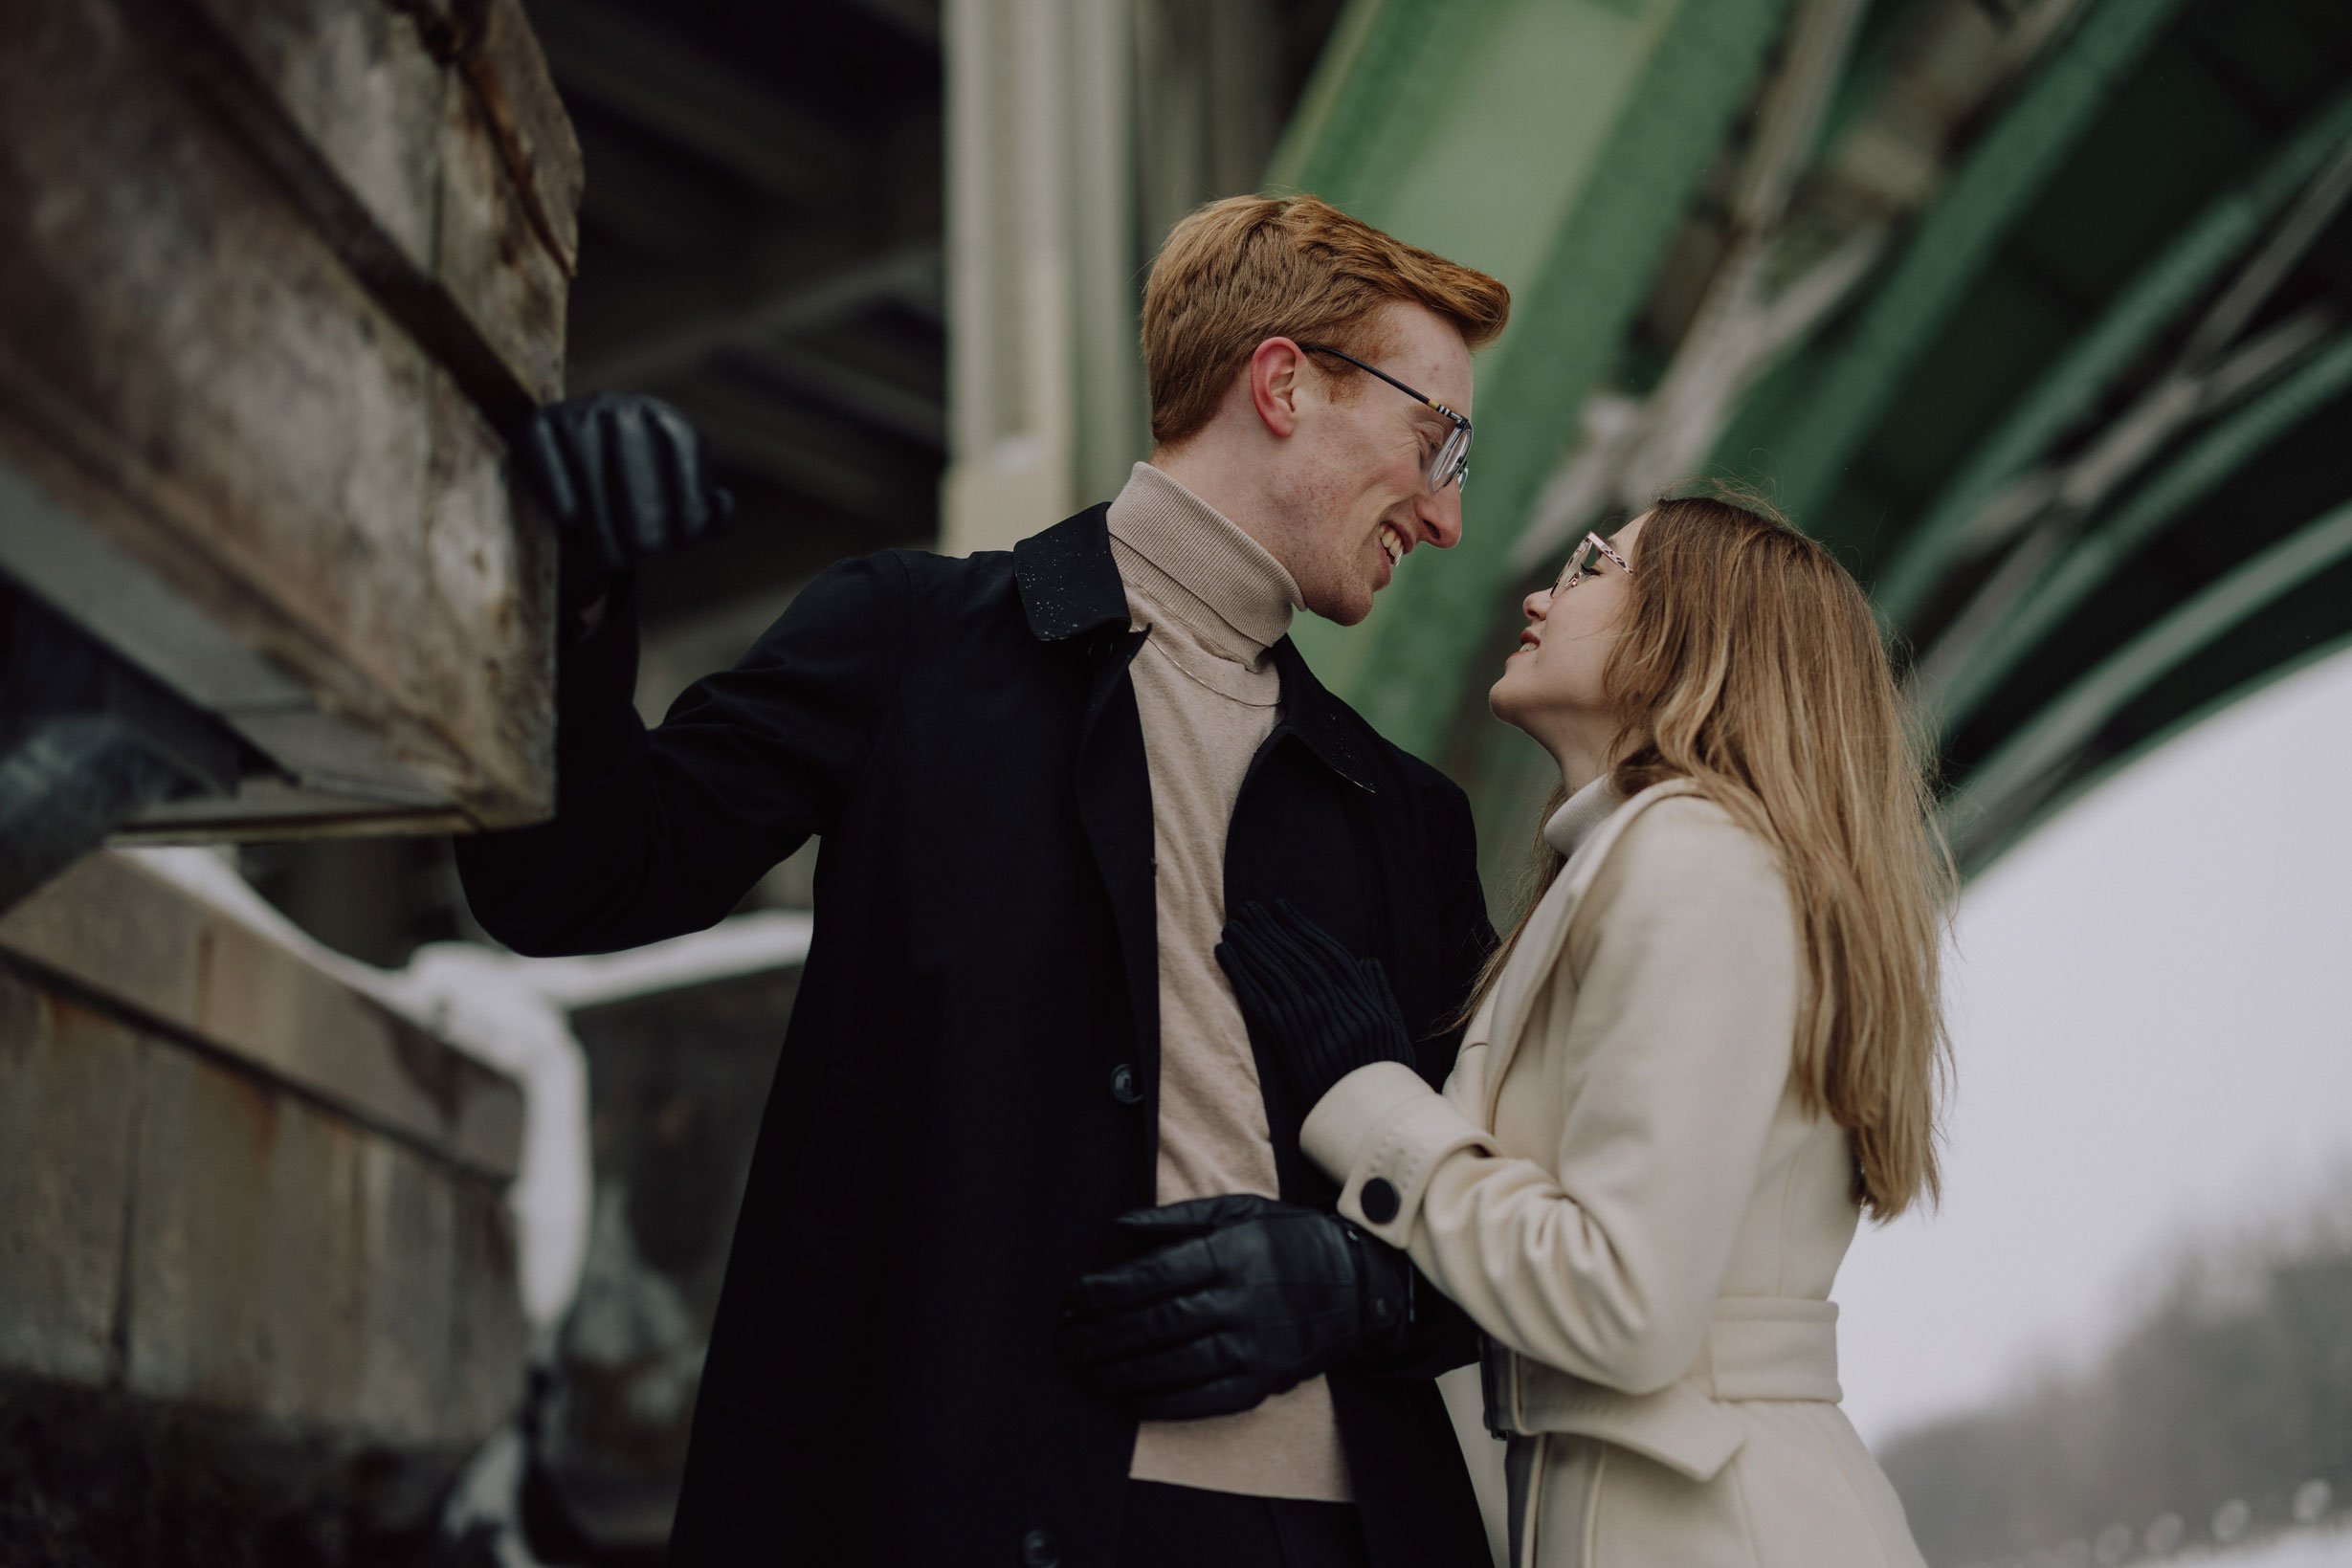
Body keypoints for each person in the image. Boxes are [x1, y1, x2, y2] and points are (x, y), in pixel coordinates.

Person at [455, 194, 1512, 1567]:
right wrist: (569, 590)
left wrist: (1357, 1286)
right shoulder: (909, 644)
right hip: (963, 1515)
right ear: (1284, 383)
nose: (1446, 515)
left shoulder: (1405, 816)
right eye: (1437, 442)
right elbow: (572, 883)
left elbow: (1523, 1227)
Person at [1217, 491, 1947, 1566]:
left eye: (1594, 565)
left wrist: (1372, 1104)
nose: (1538, 595)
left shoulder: (1689, 857)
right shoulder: (1671, 862)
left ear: (1698, 630)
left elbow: (1625, 1303)